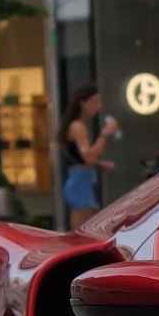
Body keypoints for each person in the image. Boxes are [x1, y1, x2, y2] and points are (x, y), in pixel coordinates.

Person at [57, 84, 117, 229]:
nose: (98, 106)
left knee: (87, 224)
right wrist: (105, 134)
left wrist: (98, 164)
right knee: (82, 228)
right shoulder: (77, 127)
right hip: (80, 182)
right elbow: (88, 157)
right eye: (94, 102)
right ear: (83, 103)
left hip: (82, 179)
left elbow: (82, 156)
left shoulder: (78, 126)